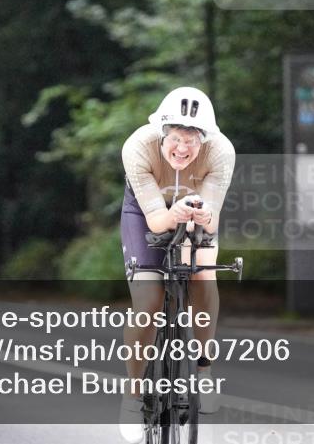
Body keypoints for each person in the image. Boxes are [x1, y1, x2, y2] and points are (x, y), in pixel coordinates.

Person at [118, 87, 235, 441]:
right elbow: (156, 221)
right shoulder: (137, 147)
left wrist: (197, 215)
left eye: (192, 141)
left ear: (205, 140)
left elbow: (212, 220)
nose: (182, 149)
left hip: (198, 212)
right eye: (176, 139)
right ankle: (133, 395)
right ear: (162, 134)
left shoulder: (222, 151)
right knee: (149, 300)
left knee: (203, 277)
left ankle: (203, 368)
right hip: (146, 211)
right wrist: (171, 213)